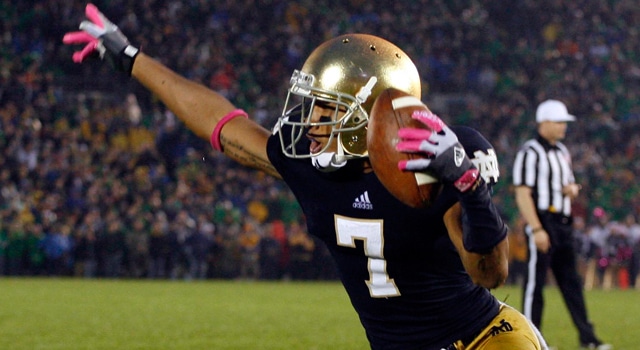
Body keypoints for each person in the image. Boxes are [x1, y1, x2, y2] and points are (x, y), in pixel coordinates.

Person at [63, 4, 547, 349]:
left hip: (484, 341)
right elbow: (225, 126)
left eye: (324, 111)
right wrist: (131, 58)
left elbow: (490, 273)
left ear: (368, 119)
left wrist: (471, 188)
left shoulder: (426, 166)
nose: (307, 124)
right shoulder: (309, 167)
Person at [512, 100, 612, 350]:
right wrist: (536, 228)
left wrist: (572, 190)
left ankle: (588, 337)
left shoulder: (561, 152)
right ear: (543, 122)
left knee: (572, 284)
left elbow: (569, 185)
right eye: (559, 122)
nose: (563, 127)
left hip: (563, 224)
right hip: (543, 220)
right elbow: (523, 193)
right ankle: (530, 341)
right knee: (534, 286)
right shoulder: (530, 151)